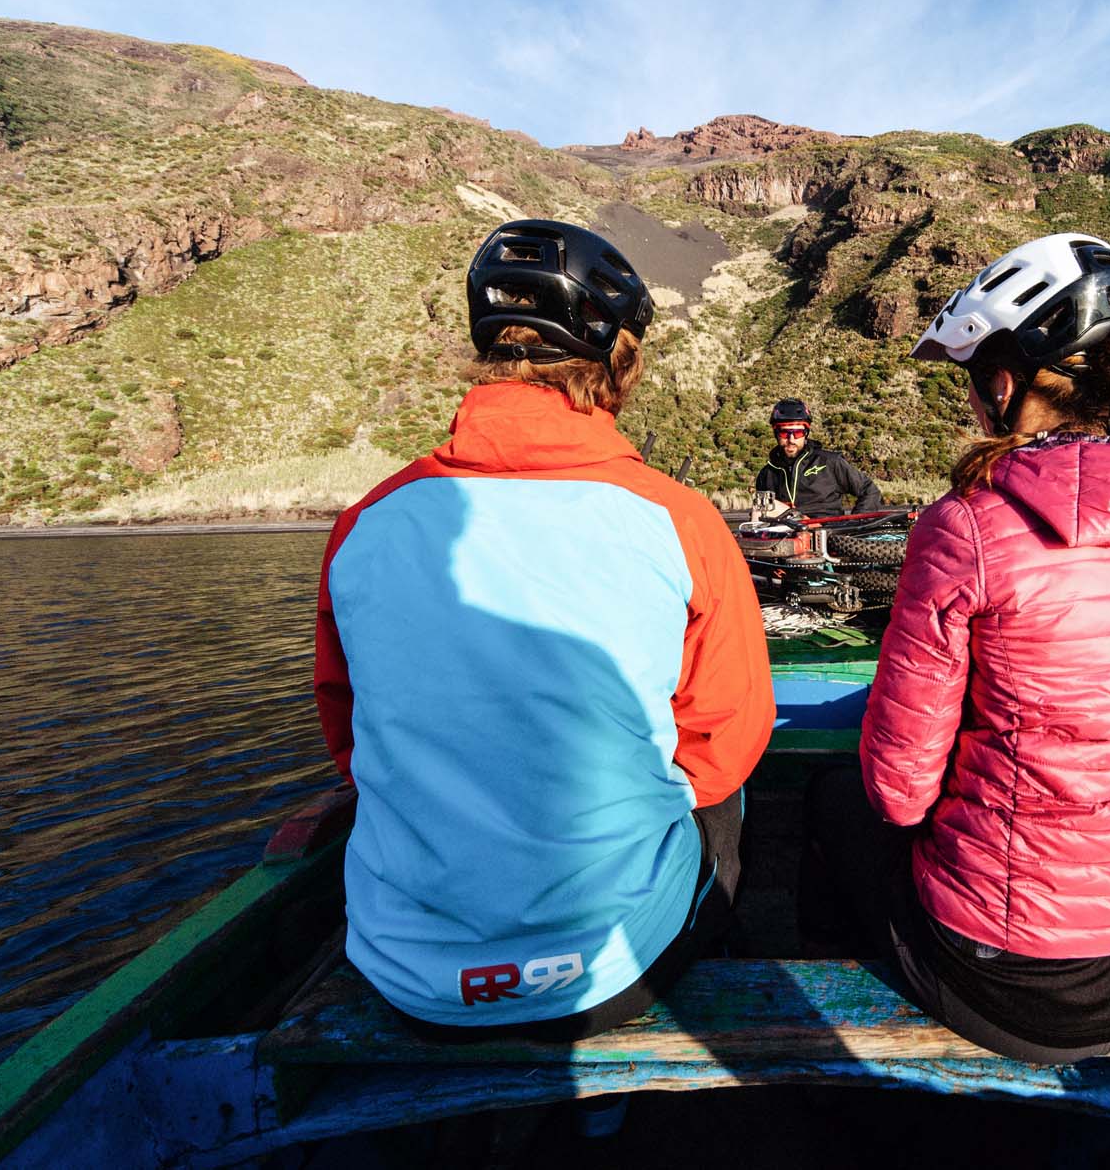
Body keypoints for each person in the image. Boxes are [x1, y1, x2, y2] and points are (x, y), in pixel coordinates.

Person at [801, 232, 1110, 1062]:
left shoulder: (968, 529)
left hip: (1017, 977)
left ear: (1006, 383)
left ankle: (833, 1078)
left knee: (832, 804)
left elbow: (899, 792)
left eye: (975, 381)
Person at [314, 218, 774, 1040]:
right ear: (620, 362)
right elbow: (723, 748)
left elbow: (349, 739)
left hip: (407, 972)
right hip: (609, 970)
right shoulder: (679, 520)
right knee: (728, 804)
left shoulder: (364, 524)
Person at [753, 398, 885, 517]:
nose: (791, 439)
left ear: (806, 433)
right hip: (785, 530)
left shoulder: (830, 462)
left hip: (826, 529)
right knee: (760, 506)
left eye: (798, 433)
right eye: (784, 433)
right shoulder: (766, 474)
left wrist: (856, 521)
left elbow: (869, 490)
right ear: (776, 434)